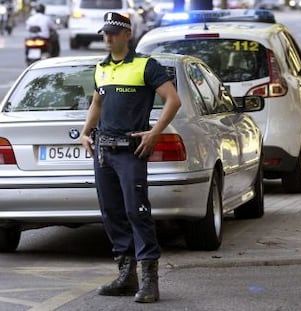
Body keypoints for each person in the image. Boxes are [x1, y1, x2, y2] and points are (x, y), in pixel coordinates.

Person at [80, 12, 181, 303]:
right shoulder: (101, 68)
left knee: (137, 213)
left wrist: (154, 134)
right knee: (112, 214)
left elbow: (173, 100)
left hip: (130, 152)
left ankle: (150, 280)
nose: (108, 38)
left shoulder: (146, 66)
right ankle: (126, 276)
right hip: (104, 153)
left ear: (127, 35)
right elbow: (97, 102)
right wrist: (86, 132)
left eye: (113, 33)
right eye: (105, 33)